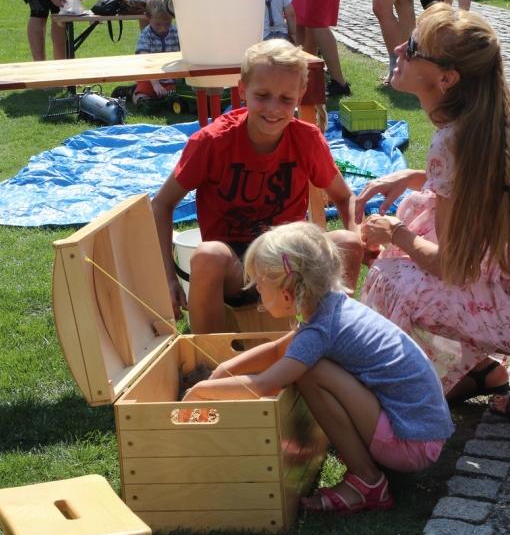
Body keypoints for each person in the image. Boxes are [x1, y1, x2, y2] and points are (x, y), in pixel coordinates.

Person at [357, 3, 510, 419]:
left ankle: (417, 395)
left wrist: (394, 231)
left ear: (447, 79)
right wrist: (415, 178)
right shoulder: (509, 118)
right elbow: (481, 190)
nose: (399, 48)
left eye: (413, 48)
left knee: (391, 276)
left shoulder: (453, 141)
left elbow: (451, 267)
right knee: (424, 210)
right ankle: (490, 370)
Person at [182, 221, 453, 513]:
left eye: (259, 283)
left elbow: (265, 384)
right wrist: (222, 372)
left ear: (287, 295)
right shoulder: (331, 307)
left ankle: (368, 482)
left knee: (312, 371)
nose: (256, 289)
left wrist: (201, 390)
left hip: (411, 443)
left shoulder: (319, 330)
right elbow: (277, 350)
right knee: (311, 366)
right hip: (421, 431)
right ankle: (369, 465)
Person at [151, 39, 362, 332]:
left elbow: (344, 197)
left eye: (286, 99)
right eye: (262, 95)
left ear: (300, 96)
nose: (273, 108)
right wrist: (167, 277)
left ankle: (332, 337)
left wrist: (358, 233)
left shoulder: (307, 139)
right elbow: (162, 204)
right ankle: (209, 356)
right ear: (242, 90)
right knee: (208, 255)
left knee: (348, 243)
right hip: (234, 268)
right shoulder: (212, 142)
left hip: (288, 259)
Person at [133, 0, 180, 103]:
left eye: (167, 24)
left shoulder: (175, 32)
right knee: (142, 94)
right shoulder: (146, 35)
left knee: (177, 94)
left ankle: (162, 97)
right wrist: (155, 84)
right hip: (150, 77)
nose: (163, 28)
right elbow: (145, 61)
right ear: (148, 17)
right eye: (158, 24)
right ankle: (135, 95)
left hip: (171, 77)